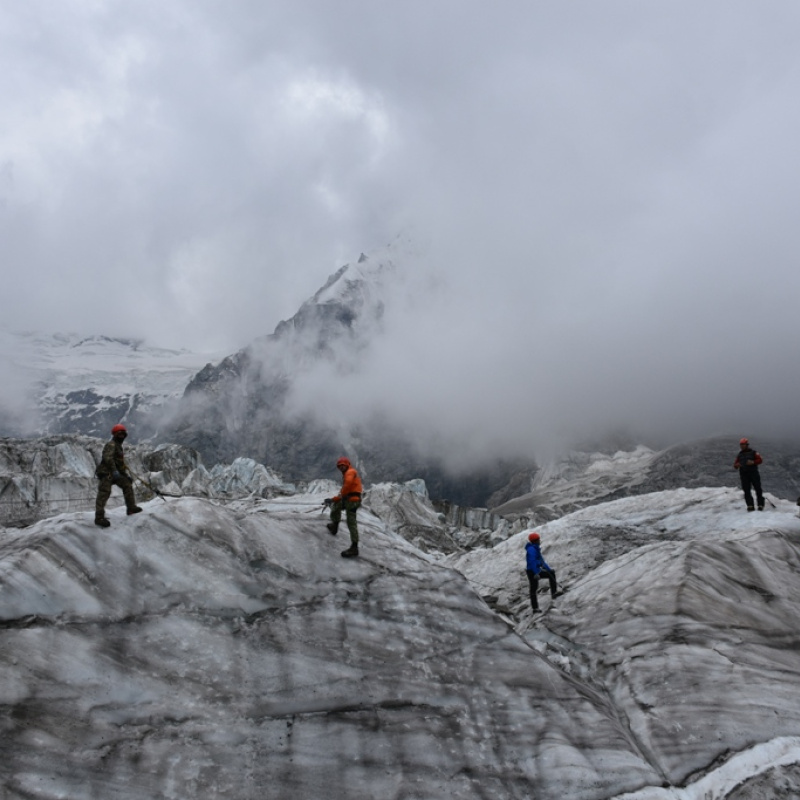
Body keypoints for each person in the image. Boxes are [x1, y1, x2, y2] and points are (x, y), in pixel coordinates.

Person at [94, 424, 142, 527]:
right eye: (119, 434)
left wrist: (124, 475)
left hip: (115, 473)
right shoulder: (111, 445)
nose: (121, 436)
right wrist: (114, 471)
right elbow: (108, 458)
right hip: (106, 473)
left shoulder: (119, 447)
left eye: (123, 434)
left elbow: (120, 464)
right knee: (104, 493)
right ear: (115, 435)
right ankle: (99, 517)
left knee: (127, 485)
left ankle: (131, 508)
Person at [324, 457, 362, 558]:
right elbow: (346, 488)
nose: (341, 467)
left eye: (343, 465)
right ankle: (334, 526)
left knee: (351, 522)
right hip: (350, 499)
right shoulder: (349, 472)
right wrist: (336, 499)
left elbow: (348, 484)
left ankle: (354, 548)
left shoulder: (350, 472)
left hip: (352, 501)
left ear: (347, 464)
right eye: (339, 466)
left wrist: (338, 497)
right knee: (336, 506)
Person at [525, 532, 559, 613]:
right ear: (536, 540)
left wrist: (549, 570)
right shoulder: (531, 549)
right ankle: (535, 608)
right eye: (539, 539)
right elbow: (532, 561)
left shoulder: (536, 548)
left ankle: (554, 593)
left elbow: (541, 561)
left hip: (536, 570)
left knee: (551, 574)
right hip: (532, 571)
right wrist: (536, 573)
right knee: (533, 589)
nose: (540, 541)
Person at [733, 437, 764, 512]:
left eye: (743, 444)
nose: (742, 446)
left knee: (758, 488)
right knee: (746, 490)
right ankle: (750, 505)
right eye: (741, 445)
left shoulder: (754, 453)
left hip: (753, 473)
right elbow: (735, 465)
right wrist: (737, 465)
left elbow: (760, 460)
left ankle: (760, 504)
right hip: (744, 474)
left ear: (747, 445)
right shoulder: (739, 455)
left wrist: (753, 462)